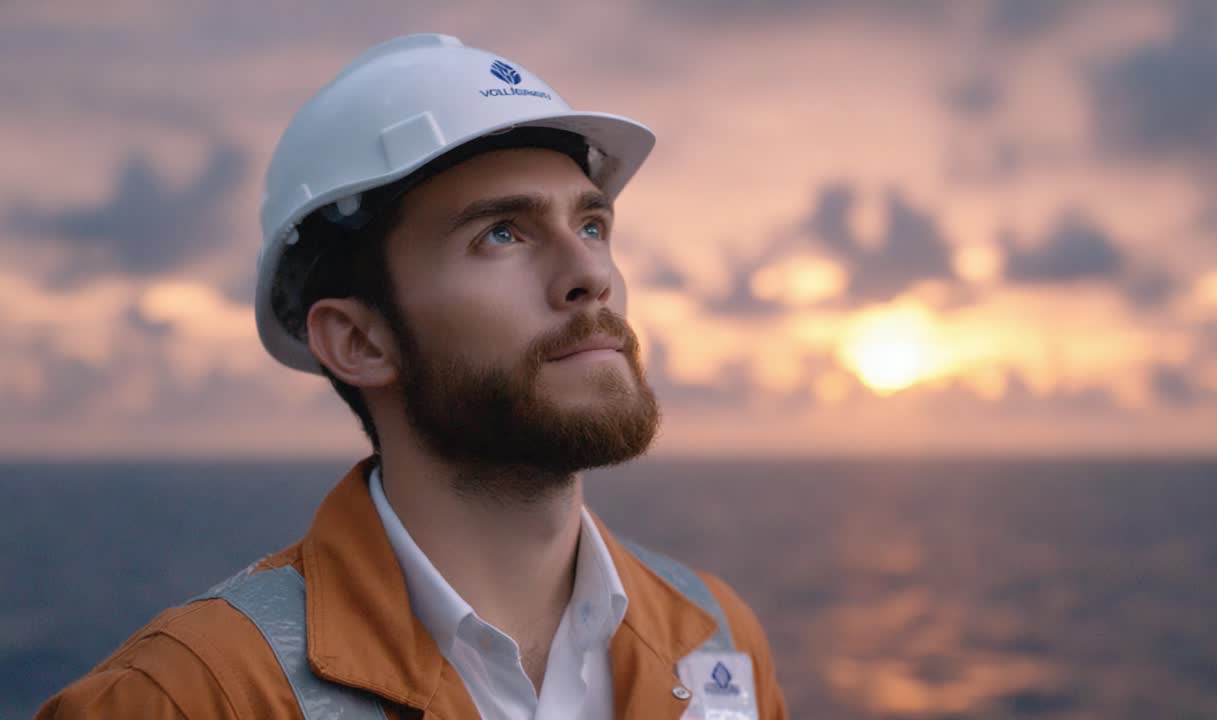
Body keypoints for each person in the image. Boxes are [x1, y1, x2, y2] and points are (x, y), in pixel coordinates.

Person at [36, 34, 786, 720]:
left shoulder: (719, 639)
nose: (590, 272)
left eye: (592, 226)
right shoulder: (191, 697)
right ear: (360, 341)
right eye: (502, 233)